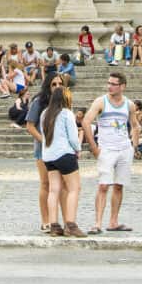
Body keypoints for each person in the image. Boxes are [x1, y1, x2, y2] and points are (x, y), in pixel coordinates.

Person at [83, 71, 140, 234]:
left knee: (119, 185)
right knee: (103, 185)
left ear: (122, 86)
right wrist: (94, 147)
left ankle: (113, 221)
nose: (110, 86)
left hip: (124, 148)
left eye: (113, 84)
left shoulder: (129, 104)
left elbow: (135, 125)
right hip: (106, 149)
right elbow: (86, 122)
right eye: (108, 83)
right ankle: (97, 223)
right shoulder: (101, 102)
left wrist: (133, 145)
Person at [41, 83, 86, 238]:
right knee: (74, 188)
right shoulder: (66, 113)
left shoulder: (45, 113)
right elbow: (73, 138)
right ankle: (71, 225)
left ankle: (54, 225)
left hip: (48, 156)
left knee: (54, 190)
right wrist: (78, 149)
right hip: (65, 154)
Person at [24, 72, 61, 234]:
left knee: (59, 186)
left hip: (60, 150)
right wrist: (43, 141)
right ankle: (45, 220)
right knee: (45, 183)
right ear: (48, 86)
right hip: (42, 150)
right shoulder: (39, 102)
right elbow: (30, 126)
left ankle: (55, 220)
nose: (57, 87)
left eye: (60, 84)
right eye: (54, 84)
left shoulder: (63, 102)